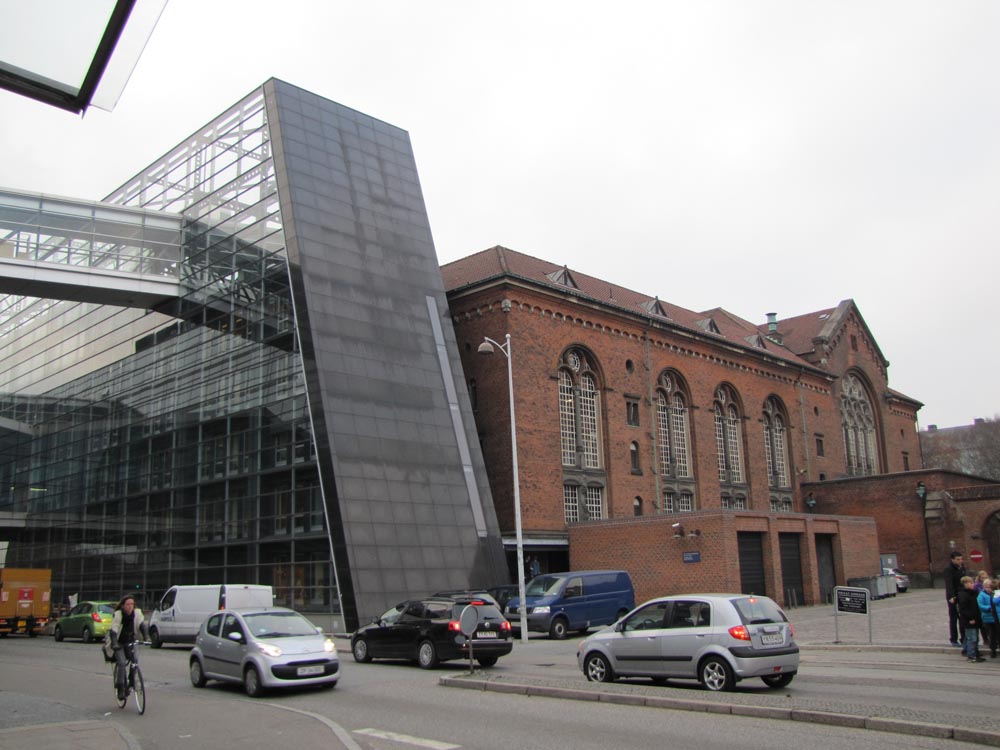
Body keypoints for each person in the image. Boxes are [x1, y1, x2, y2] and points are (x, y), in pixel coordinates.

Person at [109, 594, 149, 700]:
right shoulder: (118, 615)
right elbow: (114, 629)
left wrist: (146, 637)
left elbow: (141, 624)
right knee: (122, 663)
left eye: (132, 604)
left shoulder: (137, 613)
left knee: (135, 659)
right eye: (127, 604)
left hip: (131, 641)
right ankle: (121, 687)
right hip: (119, 642)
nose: (130, 606)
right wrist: (114, 643)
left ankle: (132, 679)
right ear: (123, 606)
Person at [957, 576, 984, 662]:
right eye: (971, 583)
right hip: (969, 620)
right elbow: (963, 609)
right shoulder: (963, 594)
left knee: (975, 637)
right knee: (971, 638)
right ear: (965, 584)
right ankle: (971, 655)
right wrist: (970, 618)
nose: (973, 584)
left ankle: (975, 653)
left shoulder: (973, 593)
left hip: (976, 618)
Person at [944, 551, 967, 647]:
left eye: (961, 559)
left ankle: (964, 638)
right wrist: (951, 596)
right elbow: (949, 584)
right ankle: (953, 639)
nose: (960, 561)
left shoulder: (962, 568)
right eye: (958, 559)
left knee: (963, 618)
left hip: (962, 595)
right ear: (952, 559)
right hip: (953, 596)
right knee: (953, 618)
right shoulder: (949, 569)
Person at [978, 578, 999, 658]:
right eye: (986, 587)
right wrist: (989, 608)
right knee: (991, 635)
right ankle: (993, 650)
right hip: (987, 618)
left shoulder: (995, 594)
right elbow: (980, 605)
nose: (988, 589)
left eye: (990, 587)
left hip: (996, 618)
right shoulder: (981, 595)